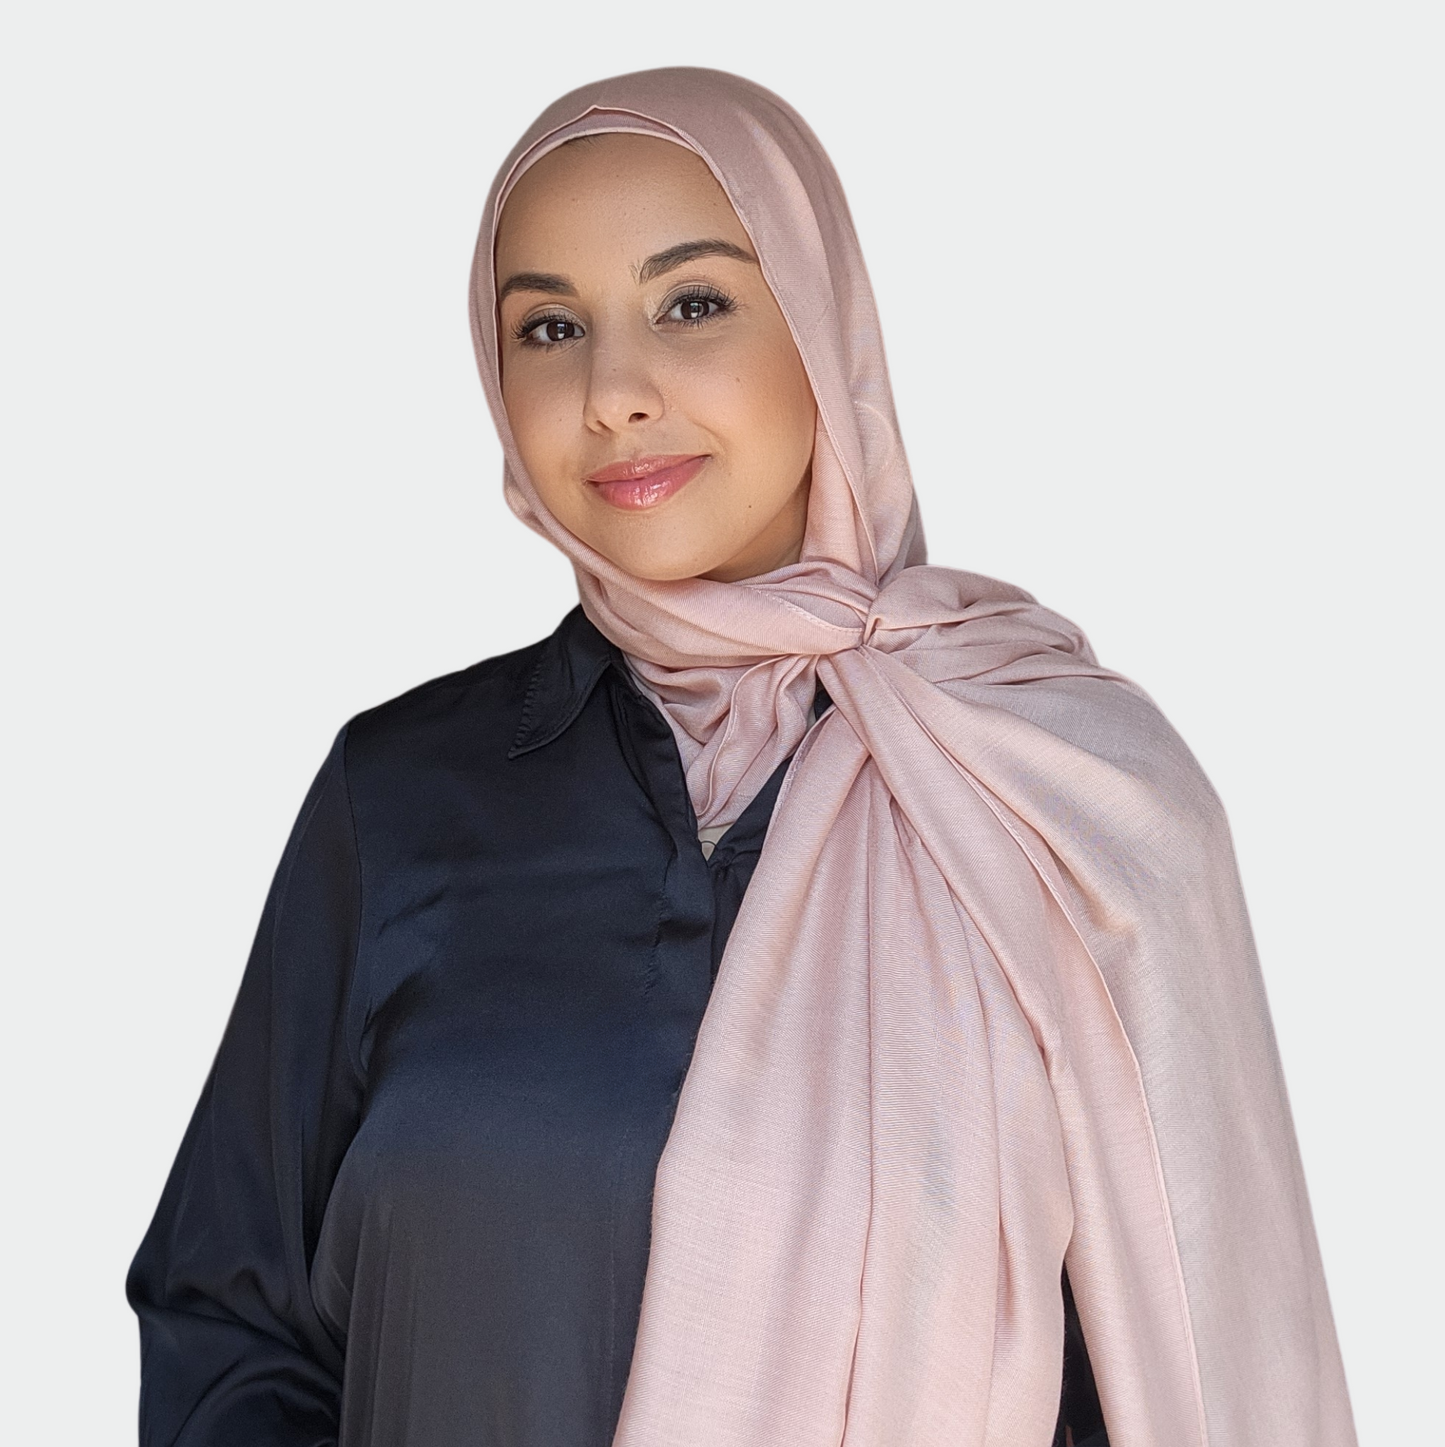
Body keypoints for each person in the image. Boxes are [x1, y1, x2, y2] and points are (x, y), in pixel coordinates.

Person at [126, 68, 1356, 1447]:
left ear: (822, 334)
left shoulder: (1068, 800)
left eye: (692, 303)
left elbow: (1208, 1362)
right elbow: (230, 1315)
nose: (612, 394)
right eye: (549, 327)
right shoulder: (401, 798)